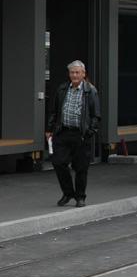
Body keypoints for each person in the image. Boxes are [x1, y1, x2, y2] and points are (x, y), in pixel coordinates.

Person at [46, 60, 101, 208]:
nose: (75, 75)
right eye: (72, 72)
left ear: (83, 74)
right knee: (58, 162)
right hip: (63, 132)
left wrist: (90, 133)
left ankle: (80, 197)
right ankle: (68, 192)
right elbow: (54, 111)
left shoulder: (91, 91)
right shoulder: (62, 89)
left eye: (77, 72)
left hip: (81, 134)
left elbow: (96, 115)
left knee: (81, 167)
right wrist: (50, 129)